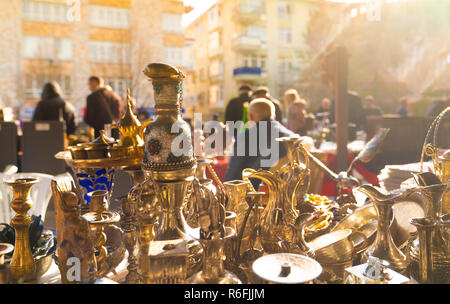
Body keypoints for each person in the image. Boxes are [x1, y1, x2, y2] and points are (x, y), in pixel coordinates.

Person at [225, 98, 295, 189]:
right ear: (273, 116)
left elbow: (232, 174)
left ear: (250, 117)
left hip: (254, 194)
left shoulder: (245, 137)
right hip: (285, 192)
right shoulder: (291, 136)